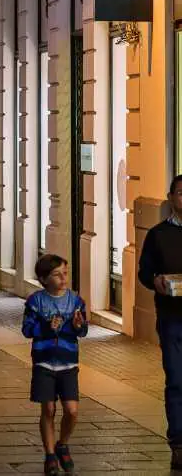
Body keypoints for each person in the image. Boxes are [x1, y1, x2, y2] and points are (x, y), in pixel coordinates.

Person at [22, 254, 87, 475]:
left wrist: (78, 325)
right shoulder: (35, 301)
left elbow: (83, 330)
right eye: (57, 275)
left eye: (65, 273)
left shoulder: (76, 301)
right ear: (44, 279)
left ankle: (63, 443)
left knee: (72, 410)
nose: (63, 278)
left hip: (68, 363)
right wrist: (47, 328)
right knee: (48, 409)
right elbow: (27, 330)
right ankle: (50, 455)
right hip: (44, 362)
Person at [138, 174, 182, 471]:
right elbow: (144, 272)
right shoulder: (157, 234)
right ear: (171, 198)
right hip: (172, 318)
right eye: (181, 193)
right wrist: (156, 281)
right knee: (177, 381)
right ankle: (178, 443)